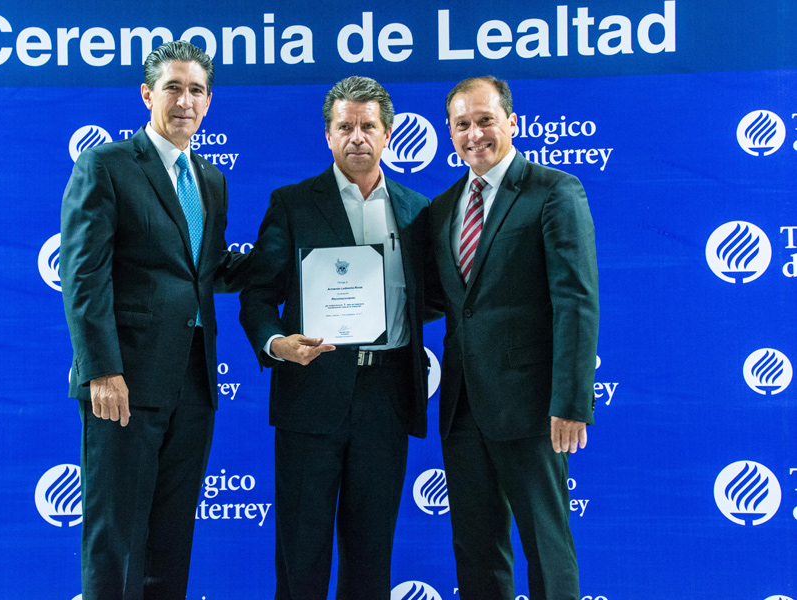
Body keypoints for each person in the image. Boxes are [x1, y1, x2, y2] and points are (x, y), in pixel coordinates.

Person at [60, 40, 249, 600]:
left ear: (209, 102)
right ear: (148, 94)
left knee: (172, 536)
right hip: (124, 383)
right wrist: (102, 370)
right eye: (173, 87)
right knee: (114, 536)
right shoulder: (107, 165)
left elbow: (208, 269)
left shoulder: (211, 181)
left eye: (196, 90)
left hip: (194, 383)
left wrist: (296, 256)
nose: (185, 100)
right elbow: (84, 275)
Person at [239, 76, 429, 600]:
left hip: (386, 396)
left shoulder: (417, 211)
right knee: (301, 555)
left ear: (388, 133)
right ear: (328, 135)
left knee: (371, 557)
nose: (357, 137)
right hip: (311, 388)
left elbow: (433, 297)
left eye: (369, 126)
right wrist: (277, 344)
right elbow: (257, 295)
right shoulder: (294, 204)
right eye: (345, 126)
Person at [428, 76, 599, 600]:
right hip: (462, 410)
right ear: (450, 133)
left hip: (533, 410)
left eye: (485, 120)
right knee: (476, 554)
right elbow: (439, 299)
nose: (474, 133)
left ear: (512, 123)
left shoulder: (555, 191)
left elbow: (576, 300)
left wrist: (570, 401)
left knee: (546, 549)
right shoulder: (441, 209)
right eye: (462, 124)